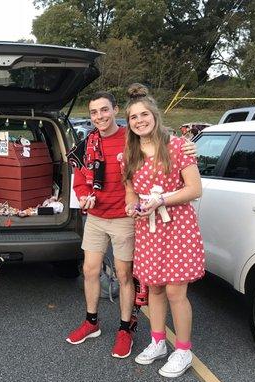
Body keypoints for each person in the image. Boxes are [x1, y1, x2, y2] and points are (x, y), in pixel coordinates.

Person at [66, 91, 196, 359]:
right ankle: (92, 322)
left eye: (104, 110)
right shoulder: (87, 143)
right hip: (98, 216)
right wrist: (82, 196)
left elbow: (163, 144)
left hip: (127, 219)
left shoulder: (131, 138)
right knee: (90, 270)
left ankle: (126, 328)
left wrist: (188, 146)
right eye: (93, 112)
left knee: (126, 276)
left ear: (114, 110)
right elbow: (79, 176)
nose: (99, 116)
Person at [122, 83, 204, 378]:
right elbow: (130, 193)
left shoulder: (178, 147)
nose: (140, 120)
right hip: (148, 228)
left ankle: (183, 350)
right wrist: (133, 206)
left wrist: (161, 199)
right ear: (128, 123)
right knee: (154, 288)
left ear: (154, 115)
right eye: (134, 117)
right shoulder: (129, 155)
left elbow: (195, 189)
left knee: (175, 291)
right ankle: (158, 342)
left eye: (144, 114)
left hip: (178, 227)